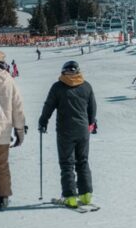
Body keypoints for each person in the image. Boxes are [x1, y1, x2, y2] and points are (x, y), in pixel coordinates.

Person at [38, 60, 96, 208]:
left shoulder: (58, 87)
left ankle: (70, 197)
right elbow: (92, 108)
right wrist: (91, 123)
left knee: (67, 164)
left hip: (65, 131)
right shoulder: (86, 86)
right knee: (82, 161)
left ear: (64, 72)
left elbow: (49, 105)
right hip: (83, 130)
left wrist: (43, 121)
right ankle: (86, 195)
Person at [0, 50, 26, 210]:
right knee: (1, 166)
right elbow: (17, 108)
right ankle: (3, 199)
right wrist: (20, 132)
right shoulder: (9, 80)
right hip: (1, 134)